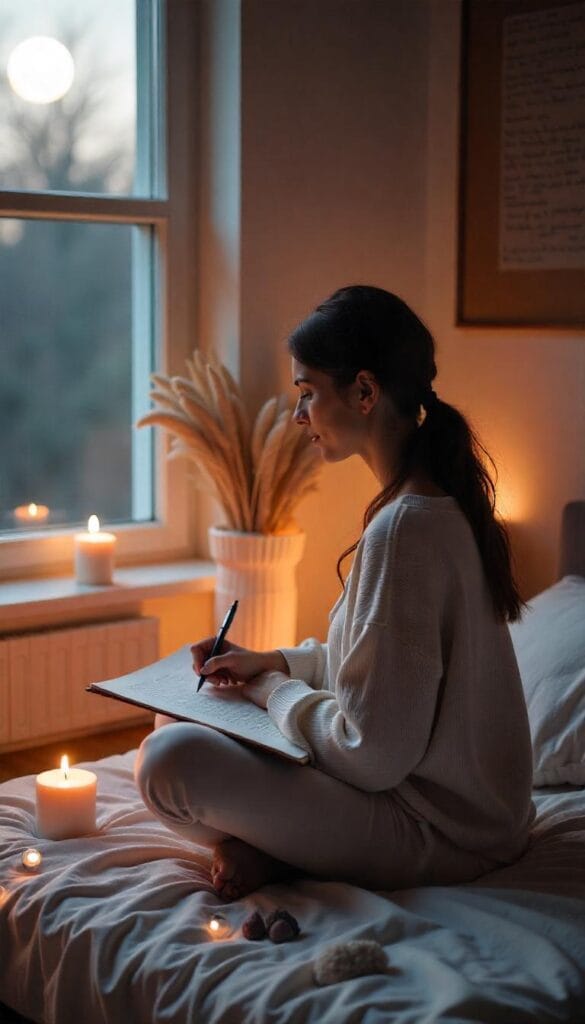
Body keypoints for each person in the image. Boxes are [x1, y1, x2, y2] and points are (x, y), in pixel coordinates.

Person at [135, 284, 535, 901]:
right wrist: (272, 663)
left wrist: (268, 689)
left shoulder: (406, 528)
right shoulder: (423, 507)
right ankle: (274, 851)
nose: (298, 417)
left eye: (306, 393)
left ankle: (272, 851)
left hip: (439, 831)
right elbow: (383, 672)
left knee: (168, 763)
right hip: (420, 805)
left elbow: (370, 753)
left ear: (366, 392)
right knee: (178, 711)